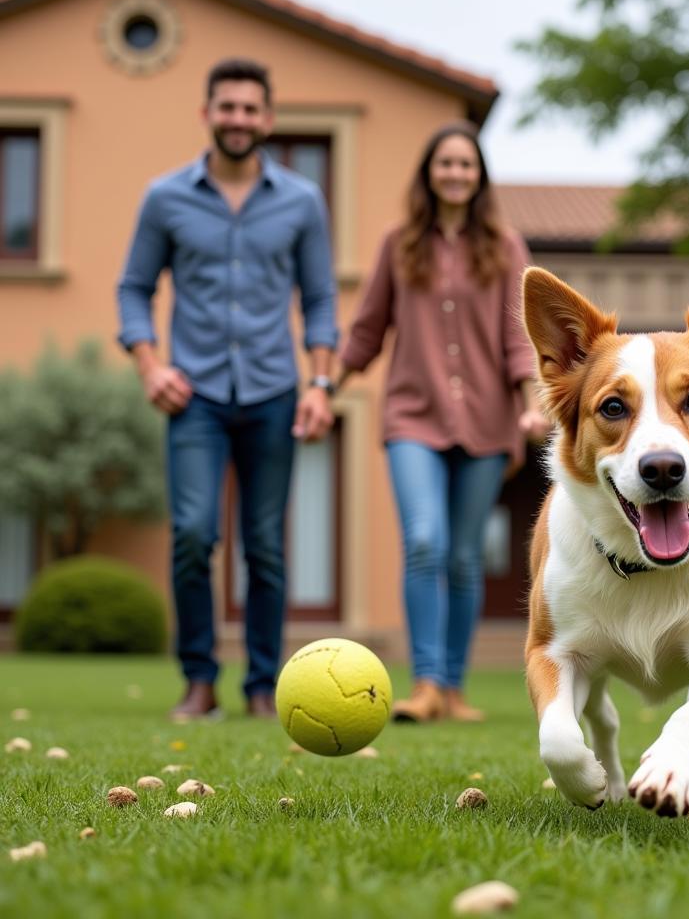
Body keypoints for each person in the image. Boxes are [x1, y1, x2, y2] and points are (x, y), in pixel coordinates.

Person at [117, 58, 338, 720]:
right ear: (207, 113)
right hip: (196, 396)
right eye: (227, 107)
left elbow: (321, 297)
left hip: (273, 391)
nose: (238, 119)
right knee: (191, 535)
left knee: (265, 544)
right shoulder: (166, 198)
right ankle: (199, 680)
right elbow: (133, 287)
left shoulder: (301, 201)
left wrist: (321, 383)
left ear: (267, 119)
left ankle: (263, 687)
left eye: (250, 109)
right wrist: (150, 367)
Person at [337, 121, 550, 722]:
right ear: (428, 174)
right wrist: (329, 388)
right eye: (444, 164)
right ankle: (426, 682)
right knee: (424, 542)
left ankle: (453, 689)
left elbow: (519, 334)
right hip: (413, 414)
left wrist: (530, 401)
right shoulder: (398, 243)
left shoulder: (506, 247)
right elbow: (368, 328)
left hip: (486, 420)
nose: (455, 173)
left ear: (478, 176)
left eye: (465, 164)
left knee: (462, 556)